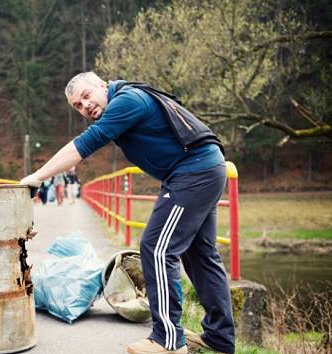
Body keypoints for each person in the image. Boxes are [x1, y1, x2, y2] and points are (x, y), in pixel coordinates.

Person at [20, 72, 235, 354]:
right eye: (78, 106)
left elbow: (84, 145)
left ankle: (168, 340)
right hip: (202, 169)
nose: (85, 107)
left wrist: (36, 176)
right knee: (200, 255)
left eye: (86, 96)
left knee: (157, 248)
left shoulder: (127, 100)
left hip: (194, 172)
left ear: (101, 84)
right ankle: (219, 337)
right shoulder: (126, 99)